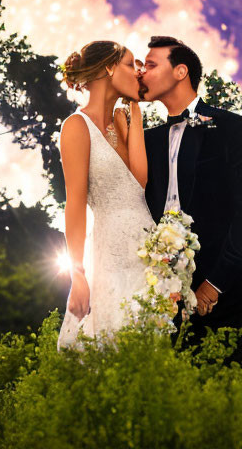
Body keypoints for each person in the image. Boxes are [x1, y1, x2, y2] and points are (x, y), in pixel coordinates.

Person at [139, 35, 242, 364]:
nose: (142, 73)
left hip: (228, 306)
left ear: (180, 71)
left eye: (151, 65)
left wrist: (214, 284)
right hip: (161, 306)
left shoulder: (235, 128)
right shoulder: (144, 141)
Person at [56, 40, 155, 351]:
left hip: (147, 250)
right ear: (110, 67)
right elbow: (74, 205)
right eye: (130, 64)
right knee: (111, 341)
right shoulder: (76, 126)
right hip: (110, 252)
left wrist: (135, 114)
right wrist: (78, 274)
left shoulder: (123, 122)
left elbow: (138, 183)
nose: (138, 72)